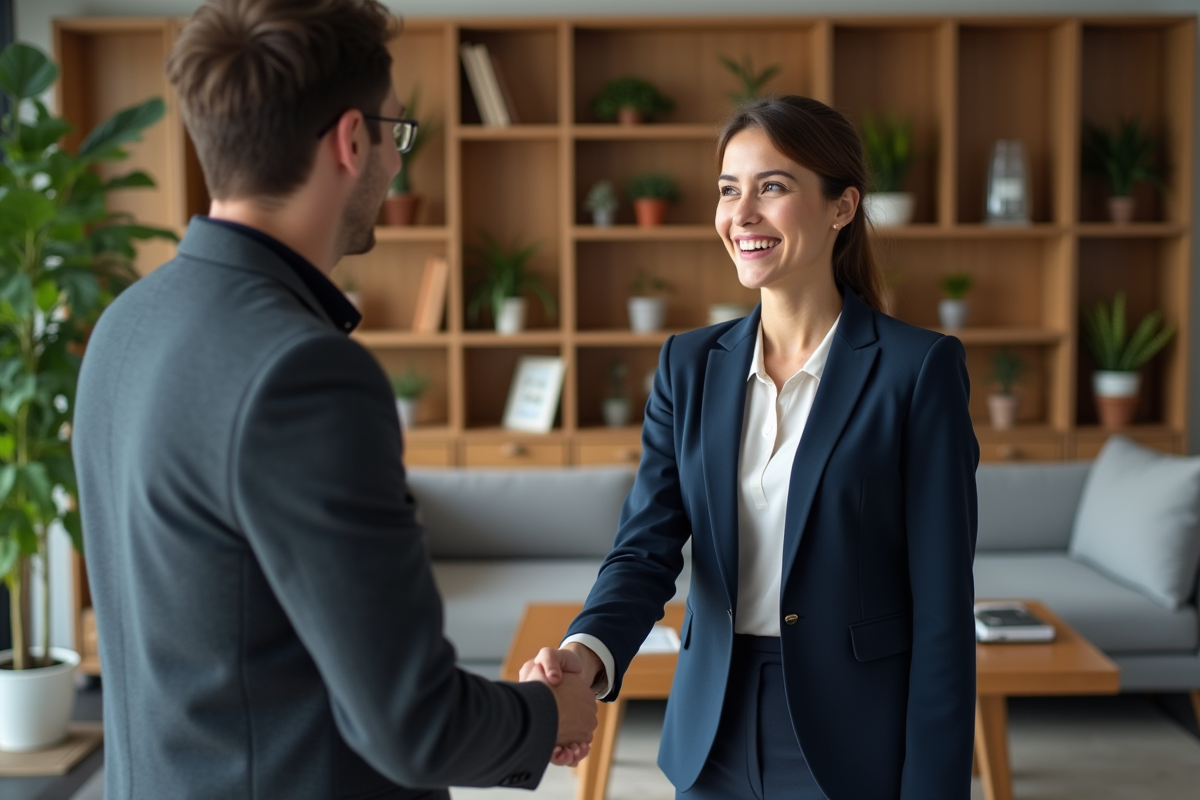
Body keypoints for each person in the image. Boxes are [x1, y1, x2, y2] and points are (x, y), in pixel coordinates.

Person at [72, 1, 595, 798]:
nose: (395, 164)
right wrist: (551, 713)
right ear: (354, 140)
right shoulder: (304, 371)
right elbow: (414, 725)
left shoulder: (123, 324)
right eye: (396, 134)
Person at [523, 96, 980, 799]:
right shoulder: (688, 364)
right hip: (712, 728)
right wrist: (584, 655)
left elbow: (943, 608)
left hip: (855, 736)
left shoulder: (917, 371)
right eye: (729, 190)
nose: (741, 215)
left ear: (841, 207)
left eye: (772, 187)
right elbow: (645, 549)